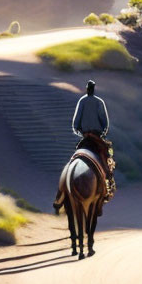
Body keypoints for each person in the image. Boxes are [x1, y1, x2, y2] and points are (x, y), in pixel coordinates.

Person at [53, 80, 116, 214]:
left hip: (85, 136)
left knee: (73, 160)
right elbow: (105, 121)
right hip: (97, 136)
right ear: (94, 89)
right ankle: (107, 186)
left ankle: (61, 194)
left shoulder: (82, 101)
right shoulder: (99, 102)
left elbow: (76, 121)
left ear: (87, 89)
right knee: (106, 158)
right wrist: (102, 132)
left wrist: (79, 131)